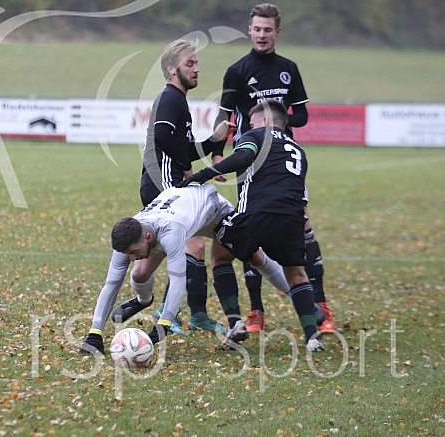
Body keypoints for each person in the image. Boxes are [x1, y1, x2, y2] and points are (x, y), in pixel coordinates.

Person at [213, 3, 336, 334]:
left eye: (268, 29)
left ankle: (321, 305)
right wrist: (217, 153)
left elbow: (303, 116)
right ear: (249, 30)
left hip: (285, 162)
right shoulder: (236, 71)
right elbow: (225, 116)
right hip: (250, 159)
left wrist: (275, 121)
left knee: (303, 223)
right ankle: (256, 311)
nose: (262, 35)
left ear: (277, 32)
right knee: (250, 225)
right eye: (257, 29)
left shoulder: (288, 68)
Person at [180, 99, 326, 352]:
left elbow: (244, 156)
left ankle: (235, 323)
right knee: (297, 275)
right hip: (291, 219)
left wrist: (202, 174)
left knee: (221, 254)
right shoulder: (298, 150)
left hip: (256, 214)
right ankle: (312, 336)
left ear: (266, 122)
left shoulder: (258, 135)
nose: (247, 128)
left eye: (251, 122)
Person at [78, 184, 289, 354]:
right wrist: (94, 333)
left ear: (148, 237)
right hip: (178, 212)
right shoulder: (131, 236)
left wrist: (163, 325)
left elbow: (178, 281)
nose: (132, 257)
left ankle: (295, 293)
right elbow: (111, 284)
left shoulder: (171, 231)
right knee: (139, 273)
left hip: (215, 213)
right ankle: (143, 300)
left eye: (134, 251)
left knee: (256, 258)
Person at [140, 38, 233, 335]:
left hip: (165, 182)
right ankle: (176, 313)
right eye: (189, 64)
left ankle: (178, 309)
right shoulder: (170, 98)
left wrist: (213, 141)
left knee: (150, 262)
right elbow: (164, 139)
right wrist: (190, 171)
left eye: (197, 64)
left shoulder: (179, 100)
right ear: (171, 69)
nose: (196, 69)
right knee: (193, 243)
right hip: (163, 183)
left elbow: (182, 147)